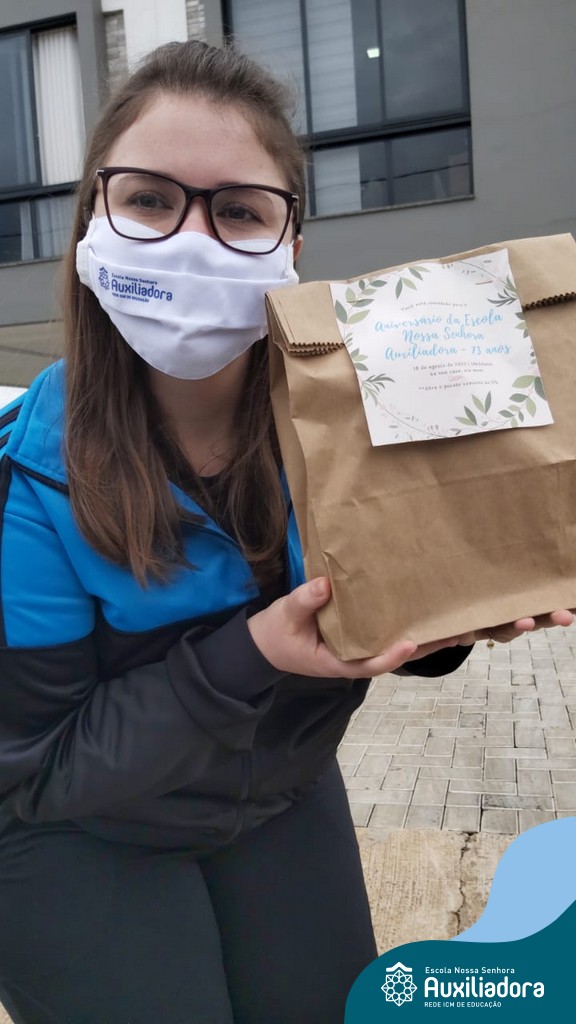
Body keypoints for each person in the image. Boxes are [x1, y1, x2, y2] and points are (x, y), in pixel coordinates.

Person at [0, 40, 571, 1024]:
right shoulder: (29, 480)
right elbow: (39, 771)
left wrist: (451, 612)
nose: (191, 240)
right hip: (73, 833)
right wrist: (254, 652)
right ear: (92, 218)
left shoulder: (362, 411)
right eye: (149, 199)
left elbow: (372, 611)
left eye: (238, 211)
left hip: (277, 793)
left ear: (291, 244)